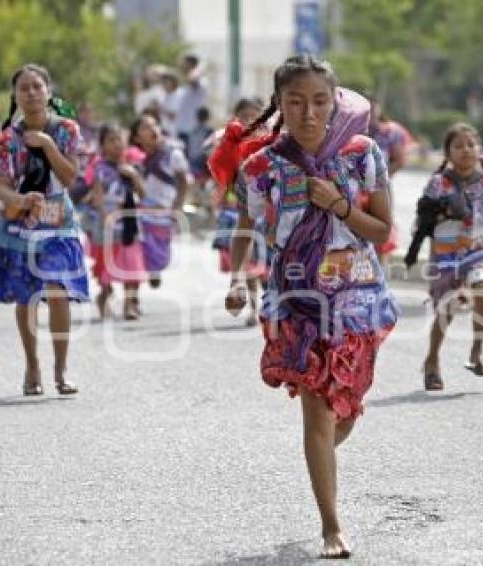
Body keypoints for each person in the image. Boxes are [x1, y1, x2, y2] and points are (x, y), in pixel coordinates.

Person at [225, 55, 398, 559]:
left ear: (335, 101)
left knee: (345, 410)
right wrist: (239, 277)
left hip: (357, 301)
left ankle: (321, 451)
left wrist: (340, 206)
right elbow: (245, 226)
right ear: (280, 104)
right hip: (296, 301)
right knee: (318, 413)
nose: (307, 112)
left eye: (319, 101)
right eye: (295, 102)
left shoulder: (363, 154)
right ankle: (331, 526)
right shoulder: (261, 165)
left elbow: (383, 231)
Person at [0, 63, 88, 396]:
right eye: (24, 88)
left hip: (58, 223)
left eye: (37, 86)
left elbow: (70, 178)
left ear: (49, 91)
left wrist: (47, 145)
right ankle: (32, 365)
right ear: (15, 95)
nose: (32, 93)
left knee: (57, 289)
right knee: (26, 297)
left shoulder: (67, 130)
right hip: (18, 225)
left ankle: (61, 368)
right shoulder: (7, 139)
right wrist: (22, 199)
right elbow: (1, 188)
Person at [413, 123, 483, 391]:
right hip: (445, 256)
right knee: (446, 309)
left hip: (478, 252)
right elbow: (423, 220)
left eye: (470, 145)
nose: (465, 151)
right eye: (458, 146)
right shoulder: (438, 183)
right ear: (448, 153)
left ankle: (477, 353)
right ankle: (432, 359)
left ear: (479, 149)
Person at [208, 97, 269, 326]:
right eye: (244, 116)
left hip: (273, 225)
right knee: (251, 266)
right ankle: (254, 308)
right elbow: (220, 178)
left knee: (268, 270)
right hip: (242, 213)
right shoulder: (227, 145)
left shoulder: (277, 146)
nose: (249, 121)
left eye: (255, 115)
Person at [87, 124, 148, 320]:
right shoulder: (100, 169)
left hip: (130, 223)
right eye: (111, 140)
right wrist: (106, 218)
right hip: (108, 224)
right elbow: (97, 198)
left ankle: (129, 304)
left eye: (119, 139)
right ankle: (103, 297)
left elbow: (143, 193)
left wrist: (133, 175)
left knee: (132, 264)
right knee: (108, 267)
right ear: (103, 146)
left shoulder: (132, 166)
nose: (116, 144)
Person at [129, 114, 189, 289]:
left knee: (159, 252)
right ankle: (133, 297)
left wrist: (177, 209)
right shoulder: (135, 159)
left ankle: (154, 269)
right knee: (137, 250)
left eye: (154, 124)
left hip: (164, 212)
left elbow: (183, 183)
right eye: (146, 127)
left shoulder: (173, 154)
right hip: (142, 212)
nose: (153, 129)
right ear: (136, 137)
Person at [366, 94, 408, 265]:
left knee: (382, 228)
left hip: (381, 188)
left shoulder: (390, 132)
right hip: (354, 188)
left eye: (372, 107)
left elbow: (399, 160)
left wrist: (381, 177)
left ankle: (380, 271)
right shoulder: (350, 131)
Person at [174, 54, 208, 146]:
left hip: (193, 130)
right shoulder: (186, 87)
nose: (182, 66)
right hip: (182, 128)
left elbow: (193, 78)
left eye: (185, 63)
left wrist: (198, 69)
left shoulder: (200, 82)